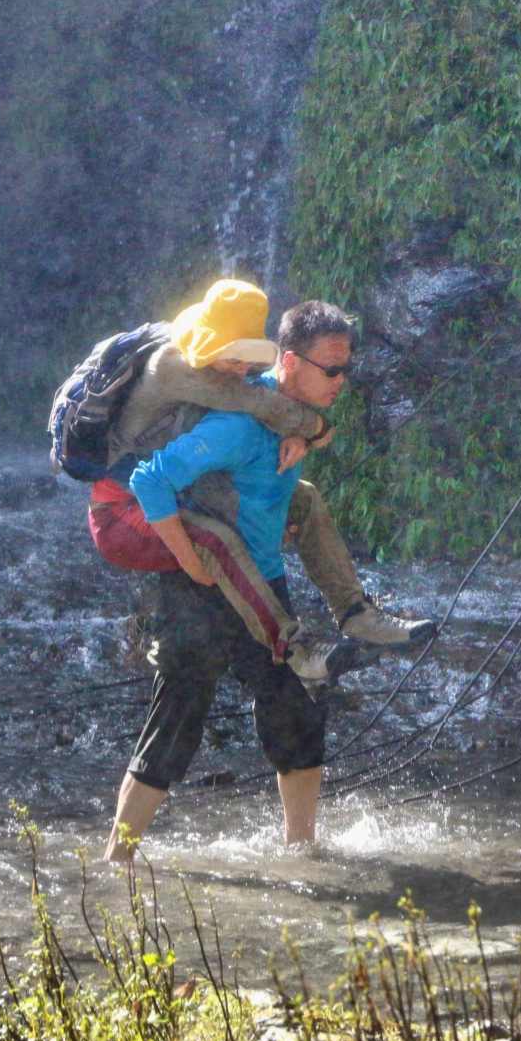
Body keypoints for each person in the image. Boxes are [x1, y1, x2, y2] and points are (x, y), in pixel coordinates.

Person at [104, 301, 360, 861]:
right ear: (293, 363)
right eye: (332, 370)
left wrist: (312, 434)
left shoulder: (280, 403)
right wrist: (189, 562)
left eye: (347, 369)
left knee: (294, 707)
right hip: (202, 578)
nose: (342, 380)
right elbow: (153, 479)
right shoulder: (237, 413)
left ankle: (304, 851)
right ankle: (116, 864)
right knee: (178, 716)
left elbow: (298, 420)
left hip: (262, 579)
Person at [87, 280, 430, 688]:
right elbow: (257, 406)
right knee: (214, 558)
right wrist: (193, 565)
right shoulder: (179, 369)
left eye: (248, 355)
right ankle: (291, 648)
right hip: (128, 507)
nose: (241, 368)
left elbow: (268, 400)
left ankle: (354, 612)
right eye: (234, 356)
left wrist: (303, 434)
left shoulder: (229, 376)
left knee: (303, 498)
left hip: (182, 490)